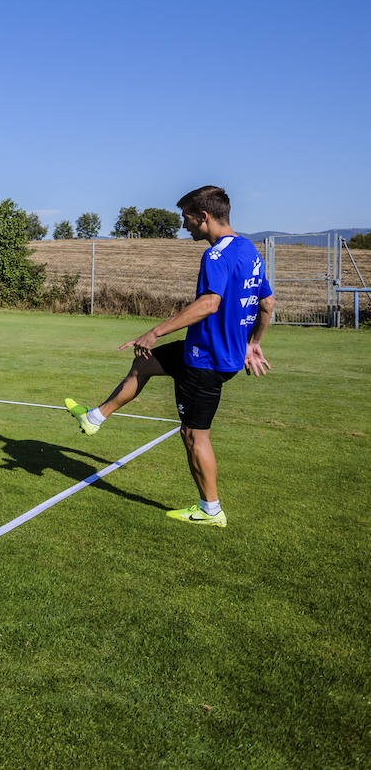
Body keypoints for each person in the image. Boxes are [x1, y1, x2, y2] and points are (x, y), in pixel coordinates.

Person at [65, 185, 274, 528]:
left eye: (186, 219)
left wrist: (155, 331)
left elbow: (210, 304)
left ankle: (210, 510)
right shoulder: (249, 249)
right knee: (144, 363)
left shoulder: (216, 255)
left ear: (203, 217)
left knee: (194, 435)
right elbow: (267, 303)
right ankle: (95, 418)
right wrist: (253, 343)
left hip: (206, 360)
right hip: (210, 351)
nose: (184, 226)